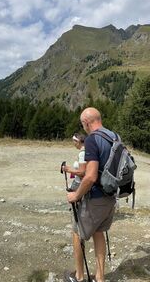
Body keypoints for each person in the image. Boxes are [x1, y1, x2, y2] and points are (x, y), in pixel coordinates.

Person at [65, 108, 118, 282]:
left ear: (86, 123)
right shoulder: (114, 136)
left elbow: (90, 176)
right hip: (111, 196)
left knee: (77, 233)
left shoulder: (92, 140)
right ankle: (100, 278)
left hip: (95, 197)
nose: (83, 127)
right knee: (99, 232)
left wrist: (76, 195)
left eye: (83, 124)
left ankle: (79, 277)